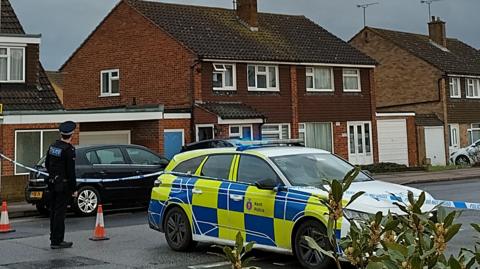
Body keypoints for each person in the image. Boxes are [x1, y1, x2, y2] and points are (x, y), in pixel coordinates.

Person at [46, 121, 77, 249]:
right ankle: (58, 240)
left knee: (53, 211)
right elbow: (71, 172)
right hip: (63, 186)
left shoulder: (53, 146)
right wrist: (74, 188)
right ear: (72, 134)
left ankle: (53, 237)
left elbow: (47, 164)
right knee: (60, 213)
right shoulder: (69, 150)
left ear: (61, 133)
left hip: (52, 183)